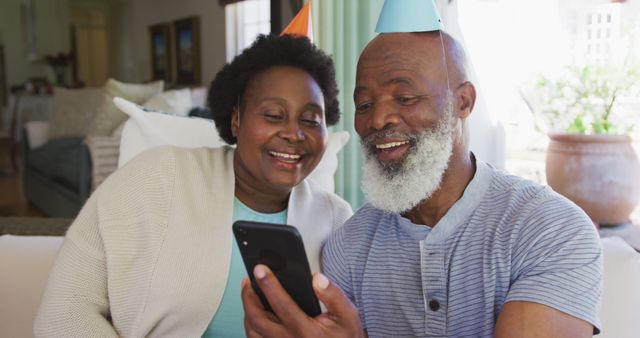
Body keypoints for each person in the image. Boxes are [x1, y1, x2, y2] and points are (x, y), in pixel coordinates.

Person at [240, 31, 602, 338]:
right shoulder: (348, 247)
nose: (378, 119)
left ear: (463, 101)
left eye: (405, 98)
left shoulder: (550, 228)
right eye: (364, 104)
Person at [34, 34, 353, 337]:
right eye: (273, 115)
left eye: (311, 120)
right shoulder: (153, 179)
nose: (294, 133)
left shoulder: (337, 219)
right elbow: (63, 311)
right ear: (236, 120)